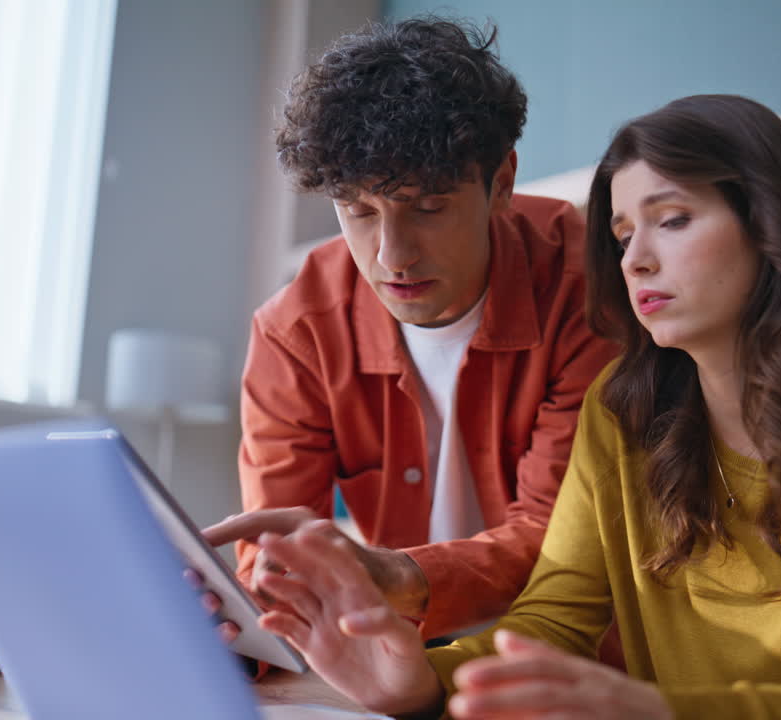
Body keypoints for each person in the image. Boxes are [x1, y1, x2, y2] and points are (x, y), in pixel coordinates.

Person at [243, 94, 781, 719]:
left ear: (769, 223)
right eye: (622, 235)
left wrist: (660, 713)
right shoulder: (620, 419)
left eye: (674, 220)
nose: (637, 259)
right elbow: (549, 628)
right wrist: (416, 683)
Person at [200, 17, 617, 646]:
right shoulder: (296, 333)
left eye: (429, 208)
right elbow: (277, 560)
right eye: (359, 211)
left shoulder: (589, 293)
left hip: (570, 648)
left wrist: (392, 572)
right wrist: (239, 620)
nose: (392, 255)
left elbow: (565, 540)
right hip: (398, 651)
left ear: (501, 183)